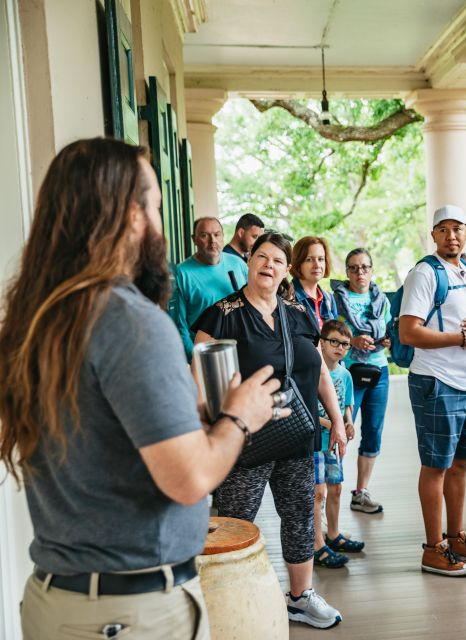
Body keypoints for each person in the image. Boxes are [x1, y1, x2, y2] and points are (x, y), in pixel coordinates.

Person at [0, 138, 282, 639]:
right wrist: (241, 415)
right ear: (129, 215)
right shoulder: (130, 320)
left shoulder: (38, 316)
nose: (160, 223)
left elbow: (99, 438)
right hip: (130, 613)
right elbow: (191, 478)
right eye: (153, 203)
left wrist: (187, 413)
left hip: (57, 600)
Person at [193, 232, 347, 629]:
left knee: (299, 515)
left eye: (277, 261)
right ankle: (225, 601)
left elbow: (319, 374)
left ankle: (300, 597)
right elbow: (199, 381)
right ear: (248, 260)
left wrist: (337, 422)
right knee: (236, 519)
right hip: (244, 438)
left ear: (286, 271)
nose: (268, 265)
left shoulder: (297, 313)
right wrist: (209, 432)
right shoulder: (222, 314)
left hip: (297, 433)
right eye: (261, 257)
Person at [399, 204, 466, 577]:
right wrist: (461, 337)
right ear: (434, 235)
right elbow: (409, 332)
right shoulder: (425, 273)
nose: (452, 235)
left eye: (459, 228)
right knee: (436, 466)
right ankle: (433, 548)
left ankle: (457, 537)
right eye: (444, 229)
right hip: (437, 381)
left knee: (460, 464)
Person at [330, 248, 392, 515]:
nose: (360, 273)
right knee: (342, 429)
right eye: (354, 268)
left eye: (365, 267)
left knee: (373, 431)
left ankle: (361, 492)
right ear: (347, 271)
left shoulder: (381, 300)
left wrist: (384, 341)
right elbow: (330, 333)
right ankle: (334, 486)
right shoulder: (337, 299)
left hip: (379, 369)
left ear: (372, 270)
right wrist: (351, 341)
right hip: (349, 371)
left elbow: (386, 330)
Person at [313, 320, 364, 568]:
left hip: (335, 443)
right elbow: (310, 411)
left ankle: (333, 534)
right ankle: (317, 542)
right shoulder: (313, 371)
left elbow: (346, 405)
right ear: (321, 342)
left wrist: (348, 422)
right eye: (334, 341)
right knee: (318, 492)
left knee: (336, 489)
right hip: (315, 442)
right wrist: (332, 425)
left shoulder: (345, 374)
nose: (339, 347)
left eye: (345, 344)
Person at [169, 217, 248, 360]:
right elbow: (180, 327)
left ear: (223, 237)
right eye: (205, 235)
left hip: (243, 351)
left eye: (217, 234)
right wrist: (196, 360)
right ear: (194, 239)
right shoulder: (181, 273)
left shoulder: (238, 264)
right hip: (207, 355)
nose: (213, 241)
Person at [291, 236, 338, 329]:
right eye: (309, 259)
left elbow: (337, 335)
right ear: (298, 264)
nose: (317, 265)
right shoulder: (287, 297)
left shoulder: (329, 299)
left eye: (321, 259)